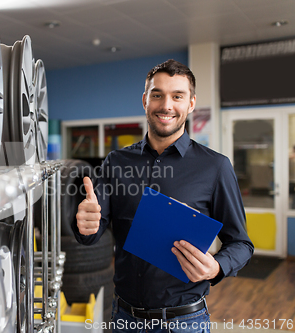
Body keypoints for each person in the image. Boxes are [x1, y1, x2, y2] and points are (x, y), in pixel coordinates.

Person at [74, 59, 254, 333]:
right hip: (124, 318)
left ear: (191, 104)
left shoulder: (215, 167)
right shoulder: (116, 162)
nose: (166, 105)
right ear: (145, 100)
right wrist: (85, 225)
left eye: (177, 96)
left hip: (184, 322)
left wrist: (215, 268)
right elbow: (92, 233)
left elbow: (241, 243)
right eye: (157, 95)